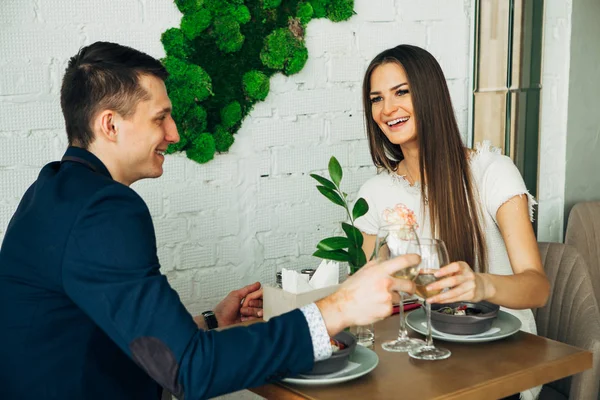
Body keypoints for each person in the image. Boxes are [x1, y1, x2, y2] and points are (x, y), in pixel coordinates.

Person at [0, 41, 419, 400]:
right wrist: (338, 307)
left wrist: (212, 322)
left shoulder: (50, 190)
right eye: (160, 117)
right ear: (110, 124)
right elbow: (189, 371)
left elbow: (111, 332)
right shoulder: (104, 209)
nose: (174, 133)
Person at [354, 45, 550, 400]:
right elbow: (363, 294)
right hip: (416, 365)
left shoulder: (491, 172)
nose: (387, 110)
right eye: (376, 99)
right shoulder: (374, 192)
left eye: (401, 92)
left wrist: (481, 286)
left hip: (499, 367)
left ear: (429, 94)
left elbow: (537, 288)